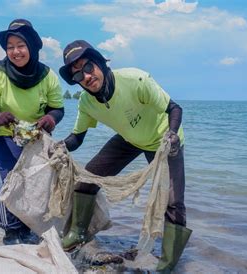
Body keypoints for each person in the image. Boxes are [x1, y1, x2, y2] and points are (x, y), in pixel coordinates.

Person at [58, 40, 191, 272]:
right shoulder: (87, 102)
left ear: (99, 63)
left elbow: (174, 108)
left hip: (164, 139)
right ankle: (77, 233)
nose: (86, 77)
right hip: (129, 139)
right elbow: (77, 137)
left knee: (173, 202)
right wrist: (60, 147)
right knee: (86, 180)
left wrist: (172, 135)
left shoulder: (135, 80)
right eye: (78, 76)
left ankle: (168, 264)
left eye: (88, 67)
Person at [0, 19, 64, 245]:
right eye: (10, 46)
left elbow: (57, 108)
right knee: (11, 180)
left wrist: (50, 119)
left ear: (32, 47)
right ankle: (11, 231)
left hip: (34, 138)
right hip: (2, 137)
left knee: (35, 182)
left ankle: (28, 226)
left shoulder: (47, 76)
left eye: (21, 45)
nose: (16, 51)